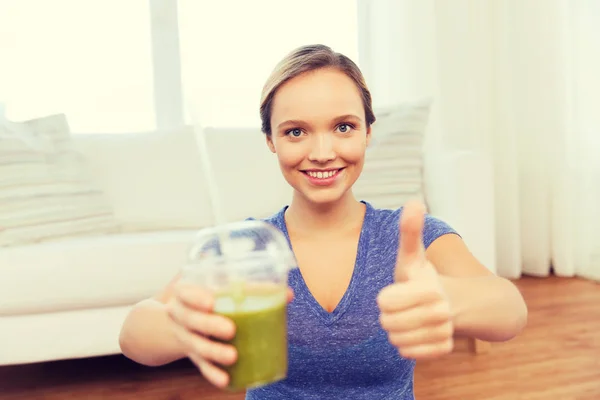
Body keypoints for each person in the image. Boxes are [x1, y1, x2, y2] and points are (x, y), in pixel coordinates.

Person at [119, 44, 528, 399]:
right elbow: (135, 336)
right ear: (270, 141)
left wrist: (451, 300)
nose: (321, 152)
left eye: (343, 127)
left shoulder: (409, 237)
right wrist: (180, 328)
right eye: (296, 132)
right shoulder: (245, 247)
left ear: (368, 131)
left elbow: (510, 311)